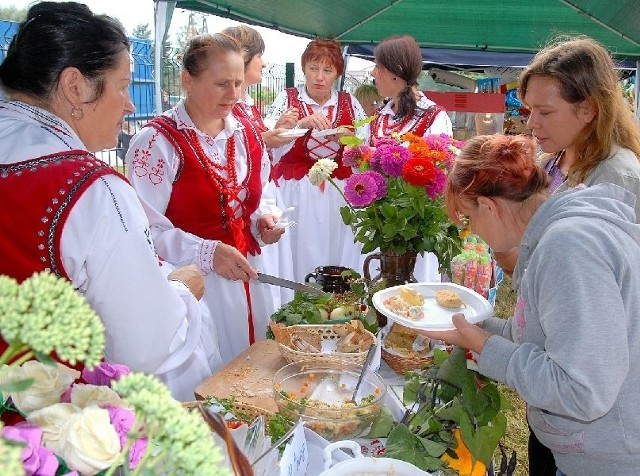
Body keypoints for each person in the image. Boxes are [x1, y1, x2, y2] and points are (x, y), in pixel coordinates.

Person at [0, 1, 218, 401]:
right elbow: (146, 345)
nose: (130, 104)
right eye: (122, 86)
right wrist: (182, 291)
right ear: (75, 87)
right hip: (46, 434)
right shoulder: (92, 190)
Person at [423, 133, 640, 476]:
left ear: (490, 206)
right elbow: (549, 337)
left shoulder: (568, 247)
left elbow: (582, 391)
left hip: (612, 460)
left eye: (469, 218)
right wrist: (476, 329)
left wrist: (484, 345)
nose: (474, 231)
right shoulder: (558, 234)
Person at [125, 33, 284, 364]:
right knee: (219, 380)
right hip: (196, 288)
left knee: (259, 368)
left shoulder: (246, 132)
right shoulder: (156, 144)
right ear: (188, 80)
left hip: (251, 275)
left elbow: (262, 189)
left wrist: (263, 219)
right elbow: (144, 233)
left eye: (239, 83)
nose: (234, 95)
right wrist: (206, 252)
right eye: (222, 83)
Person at [495, 35, 640, 278]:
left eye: (545, 112)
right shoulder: (554, 159)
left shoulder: (617, 177)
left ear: (588, 110)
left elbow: (592, 277)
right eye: (530, 110)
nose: (531, 123)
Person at [264, 39, 367, 297]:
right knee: (299, 246)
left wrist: (346, 137)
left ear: (337, 74)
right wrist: (301, 123)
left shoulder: (350, 103)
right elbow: (268, 140)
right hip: (297, 192)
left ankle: (337, 299)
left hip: (337, 194)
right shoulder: (287, 99)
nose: (319, 77)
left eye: (327, 71)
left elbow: (364, 148)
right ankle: (296, 299)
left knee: (335, 244)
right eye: (313, 68)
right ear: (304, 68)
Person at [369, 34, 453, 282]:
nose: (373, 73)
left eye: (378, 67)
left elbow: (438, 173)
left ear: (396, 72)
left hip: (414, 227)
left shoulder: (433, 116)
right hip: (380, 222)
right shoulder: (380, 116)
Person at [222, 24, 298, 149]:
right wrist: (264, 140)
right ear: (242, 58)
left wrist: (278, 128)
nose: (264, 64)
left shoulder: (247, 104)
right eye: (259, 56)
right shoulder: (223, 105)